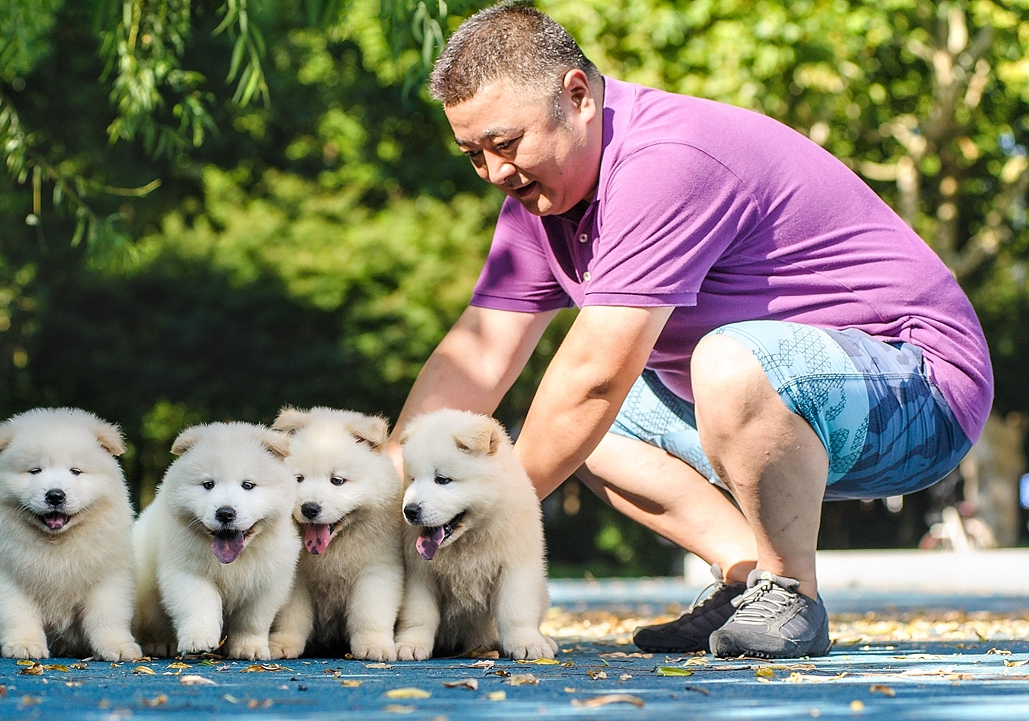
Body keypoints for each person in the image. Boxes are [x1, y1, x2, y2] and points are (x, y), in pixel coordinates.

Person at [386, 2, 993, 659]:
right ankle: (747, 576)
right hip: (784, 401)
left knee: (710, 368)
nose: (496, 174)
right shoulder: (542, 198)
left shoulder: (664, 160)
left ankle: (791, 591)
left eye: (506, 144)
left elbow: (594, 376)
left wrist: (481, 523)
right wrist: (377, 510)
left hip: (922, 390)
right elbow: (472, 363)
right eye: (474, 154)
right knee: (581, 431)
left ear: (578, 96)